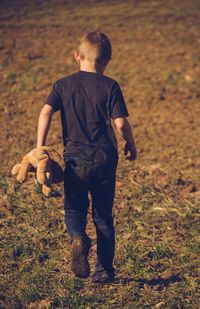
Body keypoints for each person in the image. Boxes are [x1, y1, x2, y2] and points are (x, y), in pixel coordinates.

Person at [37, 31, 137, 284]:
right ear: (108, 60)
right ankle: (103, 272)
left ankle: (78, 237)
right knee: (103, 215)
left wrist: (40, 147)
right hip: (104, 160)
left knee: (74, 207)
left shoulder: (63, 85)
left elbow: (45, 113)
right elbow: (121, 123)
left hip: (75, 160)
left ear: (77, 55)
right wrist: (131, 144)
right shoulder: (110, 86)